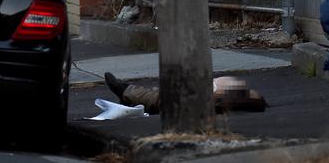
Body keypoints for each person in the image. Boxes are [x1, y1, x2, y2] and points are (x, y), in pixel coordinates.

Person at [104, 73, 267, 114]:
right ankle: (128, 93)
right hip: (218, 95)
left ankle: (127, 92)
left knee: (167, 97)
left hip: (213, 96)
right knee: (165, 95)